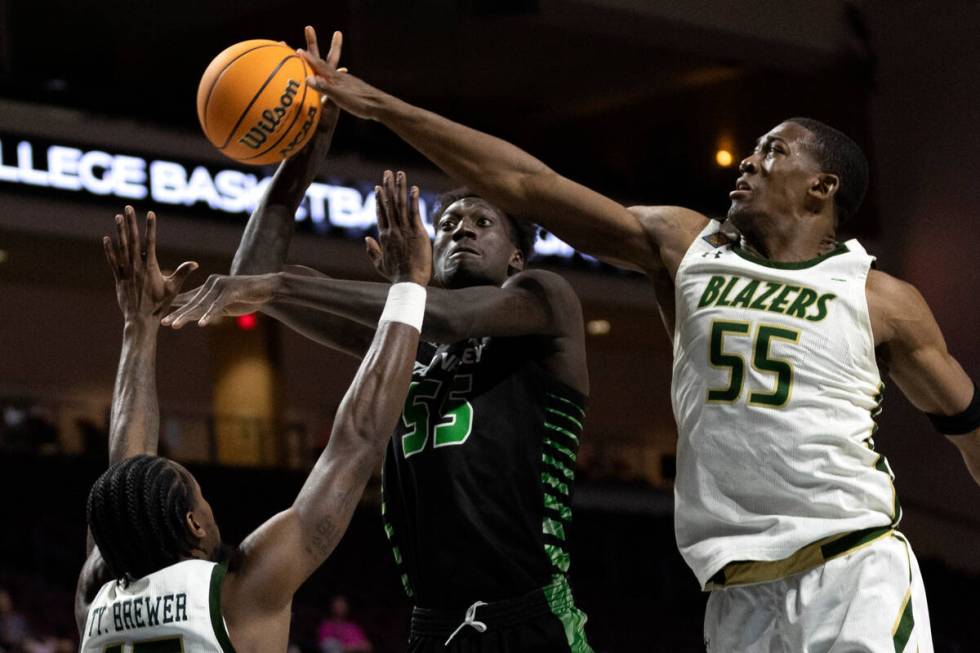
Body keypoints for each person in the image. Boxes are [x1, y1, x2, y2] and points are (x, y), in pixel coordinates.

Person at [295, 26, 980, 652]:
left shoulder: (882, 299)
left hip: (853, 569)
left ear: (821, 187)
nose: (747, 161)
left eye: (773, 151)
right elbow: (527, 185)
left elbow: (968, 423)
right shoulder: (689, 246)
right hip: (737, 592)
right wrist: (377, 105)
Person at [165, 33, 592, 651]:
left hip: (530, 618)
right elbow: (259, 281)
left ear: (517, 253)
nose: (460, 232)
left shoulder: (545, 299)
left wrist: (401, 287)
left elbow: (444, 317)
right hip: (431, 625)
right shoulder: (405, 337)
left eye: (482, 222)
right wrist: (305, 154)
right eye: (446, 224)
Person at [75, 194, 430, 651]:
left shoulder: (94, 604)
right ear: (194, 525)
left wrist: (139, 326)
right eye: (201, 496)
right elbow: (356, 439)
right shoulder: (235, 597)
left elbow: (123, 480)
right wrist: (409, 286)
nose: (209, 506)